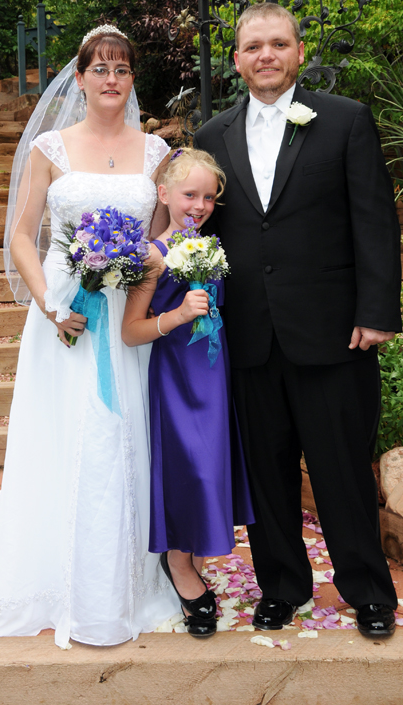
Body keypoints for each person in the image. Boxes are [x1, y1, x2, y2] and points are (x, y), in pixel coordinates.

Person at [0, 25, 180, 648]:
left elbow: (168, 232)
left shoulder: (154, 155)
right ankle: (61, 577)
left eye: (122, 68)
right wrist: (51, 302)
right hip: (66, 313)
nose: (111, 79)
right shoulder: (50, 148)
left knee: (121, 435)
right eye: (100, 68)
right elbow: (21, 233)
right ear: (80, 78)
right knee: (74, 430)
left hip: (126, 314)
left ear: (131, 79)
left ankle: (122, 578)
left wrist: (144, 260)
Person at [194, 2, 402, 639]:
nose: (266, 55)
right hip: (249, 337)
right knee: (267, 473)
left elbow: (375, 220)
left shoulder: (344, 121)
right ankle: (281, 587)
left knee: (342, 469)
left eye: (277, 44)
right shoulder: (212, 136)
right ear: (236, 60)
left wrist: (376, 311)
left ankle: (368, 590)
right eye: (253, 46)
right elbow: (202, 227)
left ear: (298, 52)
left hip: (334, 332)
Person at [122, 148, 254, 638]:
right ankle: (178, 564)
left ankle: (193, 555)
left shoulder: (209, 245)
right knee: (190, 467)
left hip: (214, 375)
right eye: (188, 194)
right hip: (178, 376)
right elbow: (130, 331)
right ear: (164, 194)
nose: (198, 205)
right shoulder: (151, 256)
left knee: (211, 466)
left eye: (208, 197)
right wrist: (177, 316)